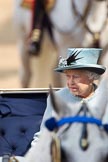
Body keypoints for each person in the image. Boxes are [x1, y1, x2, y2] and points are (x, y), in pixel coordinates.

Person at [31, 47, 106, 146]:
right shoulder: (58, 98)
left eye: (76, 76)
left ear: (91, 77)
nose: (70, 82)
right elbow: (44, 135)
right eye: (68, 76)